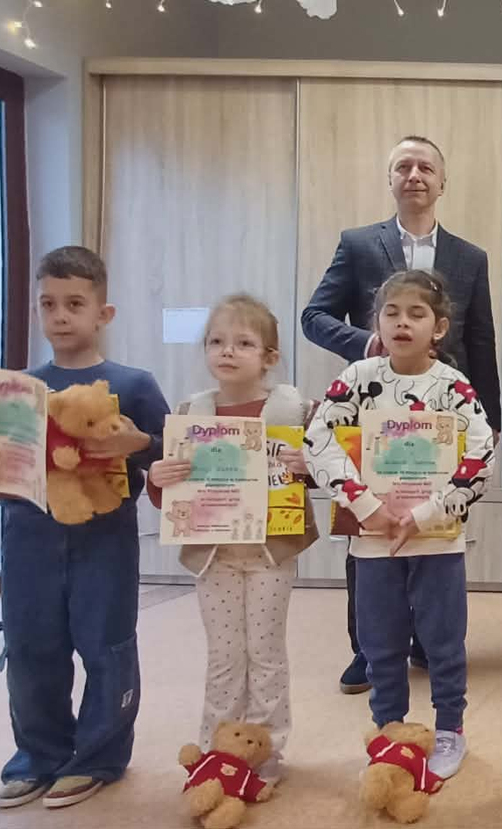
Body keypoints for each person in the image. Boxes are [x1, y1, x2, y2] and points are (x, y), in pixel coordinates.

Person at [0, 246, 167, 809]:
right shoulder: (13, 389)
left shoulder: (133, 383)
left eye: (74, 304)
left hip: (105, 541)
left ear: (103, 313)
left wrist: (141, 442)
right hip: (28, 541)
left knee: (107, 647)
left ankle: (97, 757)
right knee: (29, 648)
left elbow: (174, 452)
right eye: (48, 304)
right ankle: (38, 756)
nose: (60, 316)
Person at [299, 135, 502, 695]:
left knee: (431, 525)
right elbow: (314, 316)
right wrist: (369, 344)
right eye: (403, 166)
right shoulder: (357, 243)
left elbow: (480, 340)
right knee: (368, 523)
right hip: (372, 409)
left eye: (426, 167)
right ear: (390, 179)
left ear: (442, 182)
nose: (415, 175)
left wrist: (490, 415)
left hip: (444, 413)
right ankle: (366, 649)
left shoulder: (471, 257)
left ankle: (428, 642)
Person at [303, 269, 496, 784]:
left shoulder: (452, 385)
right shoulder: (356, 378)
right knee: (380, 643)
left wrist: (428, 512)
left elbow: (482, 452)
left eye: (416, 314)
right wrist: (365, 504)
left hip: (437, 542)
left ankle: (449, 728)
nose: (402, 323)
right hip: (373, 542)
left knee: (443, 642)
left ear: (439, 327)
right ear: (377, 323)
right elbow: (317, 440)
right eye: (391, 313)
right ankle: (388, 729)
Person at [147, 295, 318, 784]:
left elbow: (327, 473)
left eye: (243, 343)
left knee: (265, 652)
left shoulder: (294, 409)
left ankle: (265, 749)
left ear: (269, 356)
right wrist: (157, 477)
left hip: (271, 552)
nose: (227, 351)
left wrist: (310, 465)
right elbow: (170, 494)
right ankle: (217, 747)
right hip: (213, 555)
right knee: (223, 654)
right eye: (216, 341)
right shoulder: (191, 413)